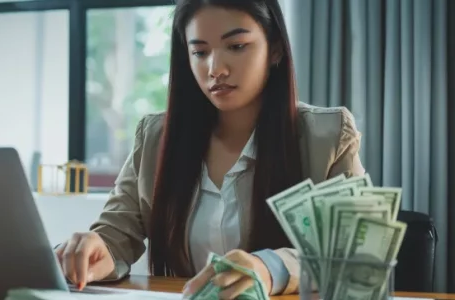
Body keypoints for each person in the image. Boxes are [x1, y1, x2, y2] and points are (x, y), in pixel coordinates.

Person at [56, 0, 365, 298]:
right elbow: (116, 235)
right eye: (200, 52)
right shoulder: (155, 137)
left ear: (275, 50)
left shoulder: (327, 136)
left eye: (236, 46)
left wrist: (267, 268)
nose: (215, 69)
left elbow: (352, 252)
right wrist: (95, 250)